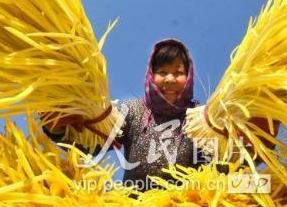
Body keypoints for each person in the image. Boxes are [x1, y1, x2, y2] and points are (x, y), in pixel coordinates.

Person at [41, 38, 207, 192]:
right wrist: (59, 129)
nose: (170, 79)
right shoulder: (133, 110)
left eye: (178, 73)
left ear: (188, 77)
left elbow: (223, 163)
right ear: (151, 76)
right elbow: (92, 145)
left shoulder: (200, 118)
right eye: (162, 72)